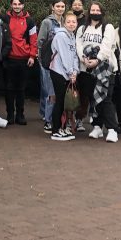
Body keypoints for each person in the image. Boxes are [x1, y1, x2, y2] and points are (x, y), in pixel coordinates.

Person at [76, 1, 119, 143]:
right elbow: (79, 45)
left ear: (102, 12)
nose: (95, 12)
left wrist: (97, 60)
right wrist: (83, 59)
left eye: (97, 10)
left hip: (104, 69)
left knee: (106, 99)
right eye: (92, 10)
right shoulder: (82, 28)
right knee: (93, 98)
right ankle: (97, 126)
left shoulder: (108, 27)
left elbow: (106, 47)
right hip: (86, 69)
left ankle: (112, 130)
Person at [3, 0, 37, 125]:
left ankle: (20, 115)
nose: (17, 6)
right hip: (9, 58)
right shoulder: (5, 18)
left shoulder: (30, 21)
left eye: (19, 4)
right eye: (14, 4)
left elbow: (34, 39)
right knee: (9, 88)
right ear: (11, 5)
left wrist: (32, 56)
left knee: (21, 89)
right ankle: (10, 115)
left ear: (23, 5)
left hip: (24, 59)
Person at [49, 11, 79, 142]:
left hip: (67, 74)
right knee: (60, 101)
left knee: (65, 102)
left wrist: (75, 72)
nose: (71, 24)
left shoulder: (72, 36)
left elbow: (74, 56)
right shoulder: (60, 36)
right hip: (58, 72)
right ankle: (55, 130)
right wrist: (70, 72)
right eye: (68, 22)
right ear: (64, 23)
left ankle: (62, 127)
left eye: (74, 22)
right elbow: (64, 57)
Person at [36, 0, 66, 133]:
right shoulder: (47, 22)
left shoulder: (66, 22)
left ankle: (57, 119)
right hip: (49, 62)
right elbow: (40, 42)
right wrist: (42, 61)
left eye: (62, 6)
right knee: (50, 92)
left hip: (62, 64)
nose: (60, 8)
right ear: (52, 7)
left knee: (59, 93)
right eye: (57, 6)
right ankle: (47, 120)